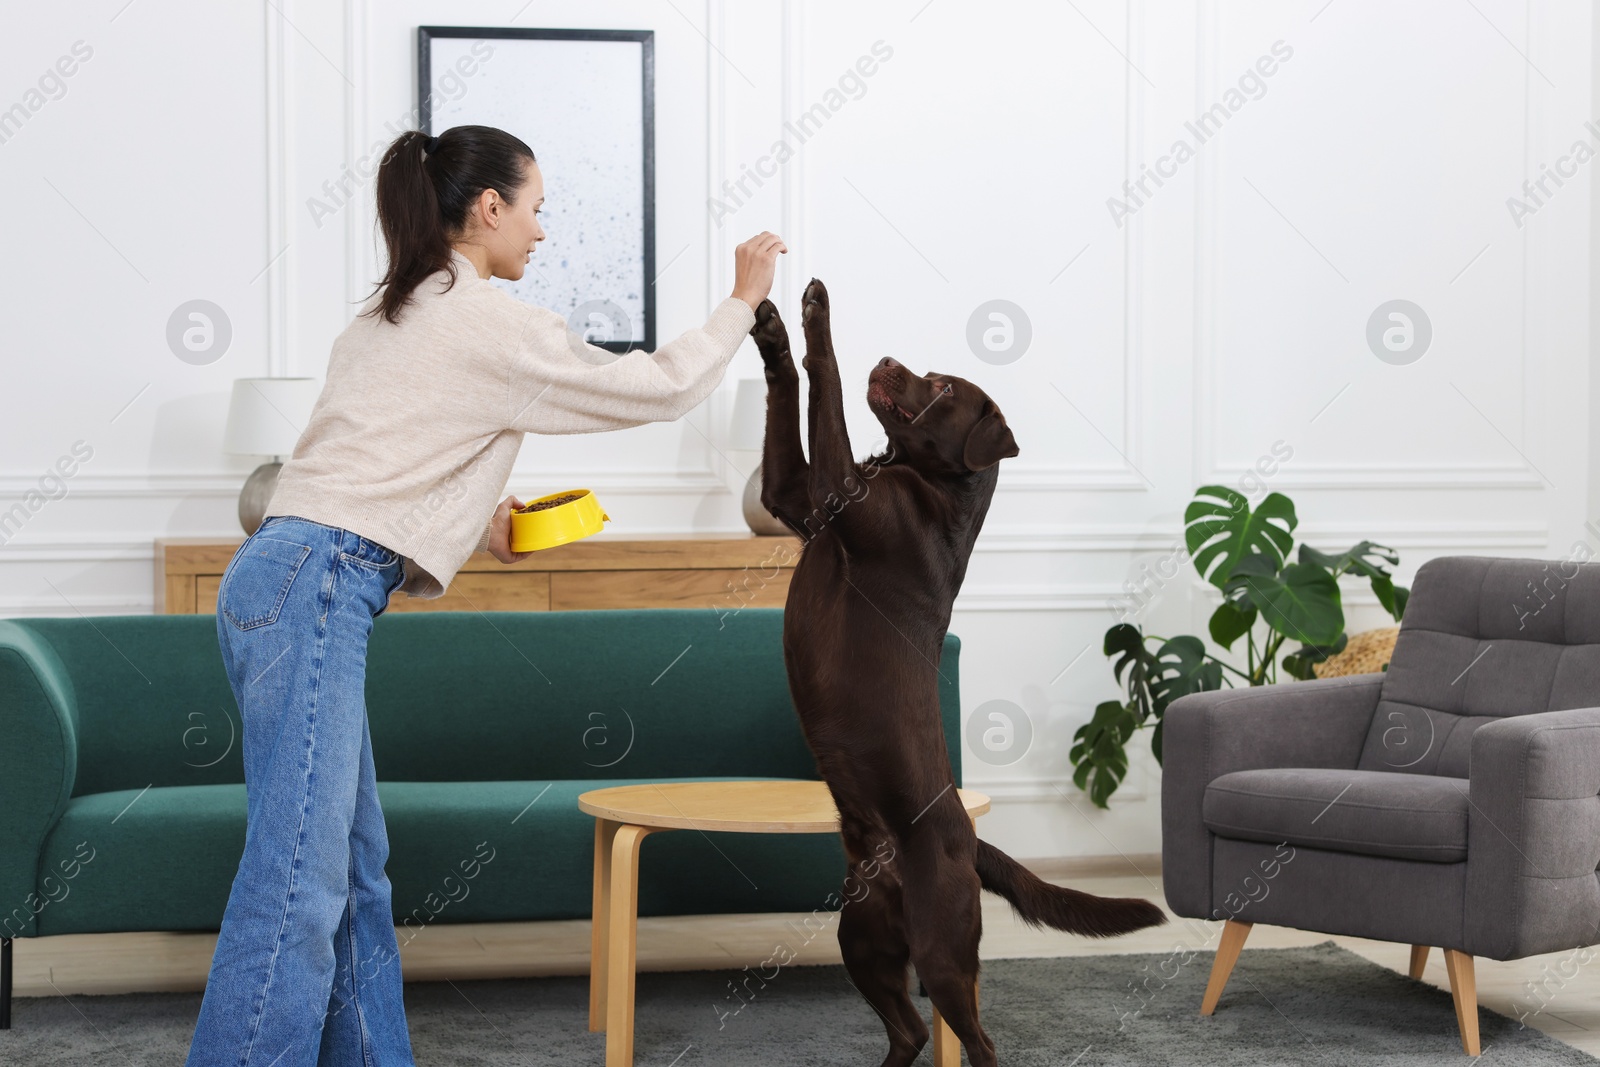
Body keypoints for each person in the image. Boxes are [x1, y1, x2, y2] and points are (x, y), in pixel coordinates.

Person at [183, 123, 785, 1066]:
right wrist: (742, 302)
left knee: (352, 871)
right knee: (299, 879)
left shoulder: (394, 310)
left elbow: (374, 453)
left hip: (286, 575)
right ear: (490, 207)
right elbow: (660, 387)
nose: (542, 231)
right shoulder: (490, 319)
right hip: (319, 583)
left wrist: (477, 511)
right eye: (536, 208)